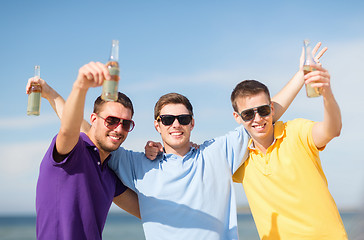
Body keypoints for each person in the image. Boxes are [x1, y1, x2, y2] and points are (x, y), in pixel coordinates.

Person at [31, 42, 327, 239]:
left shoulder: (218, 152)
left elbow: (262, 113)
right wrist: (54, 95)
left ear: (192, 123)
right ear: (156, 125)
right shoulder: (132, 162)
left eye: (183, 119)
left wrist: (301, 77)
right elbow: (87, 132)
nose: (176, 125)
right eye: (169, 119)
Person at [230, 66, 348, 239]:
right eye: (248, 114)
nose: (258, 119)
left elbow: (332, 129)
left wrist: (327, 94)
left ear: (271, 108)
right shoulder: (239, 158)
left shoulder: (296, 131)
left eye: (263, 110)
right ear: (237, 117)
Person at [27, 62, 140, 240]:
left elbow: (147, 211)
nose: (119, 129)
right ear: (94, 119)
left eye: (126, 123)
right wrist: (81, 86)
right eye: (111, 120)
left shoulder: (109, 175)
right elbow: (68, 129)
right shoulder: (73, 151)